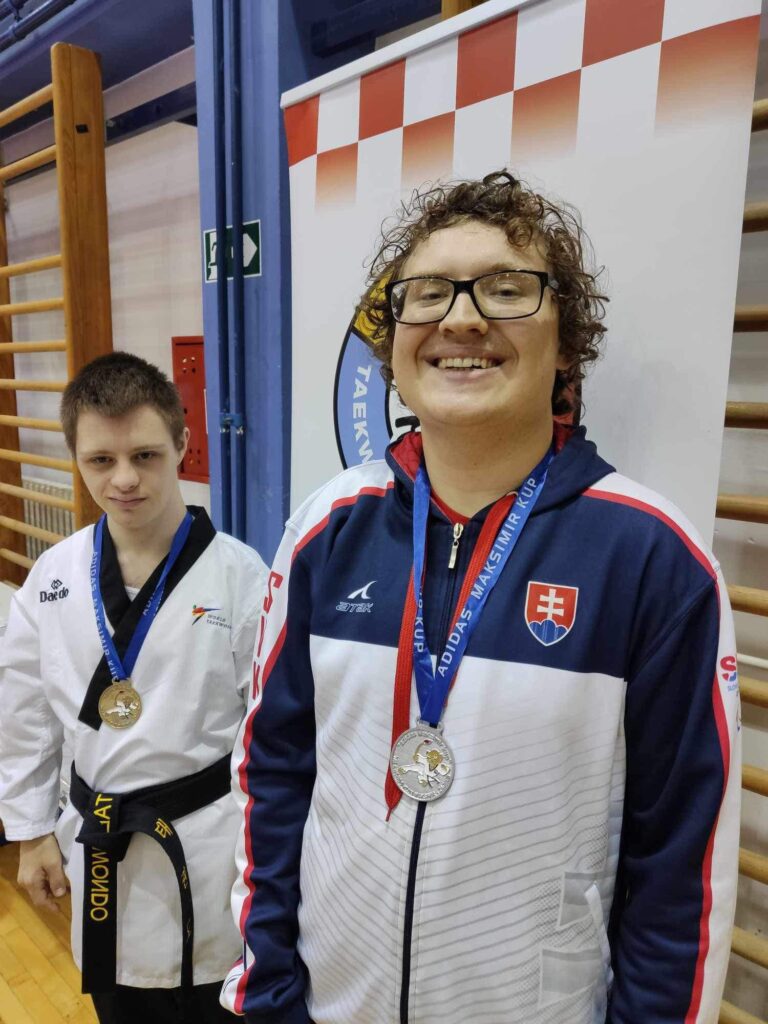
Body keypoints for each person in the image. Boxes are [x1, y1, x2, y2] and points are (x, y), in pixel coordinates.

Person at [223, 172, 741, 1024]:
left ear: (566, 343)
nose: (461, 319)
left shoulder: (652, 557)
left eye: (505, 289)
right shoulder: (326, 529)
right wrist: (267, 997)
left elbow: (680, 867)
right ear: (394, 345)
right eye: (428, 294)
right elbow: (273, 776)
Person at [0, 352, 268, 1024]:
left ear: (182, 444)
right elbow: (24, 712)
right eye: (101, 460)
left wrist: (272, 865)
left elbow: (270, 739)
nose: (124, 479)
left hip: (211, 849)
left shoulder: (241, 576)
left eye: (145, 455)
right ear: (76, 457)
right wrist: (30, 831)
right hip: (100, 850)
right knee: (120, 1006)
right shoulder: (54, 575)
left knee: (215, 1000)